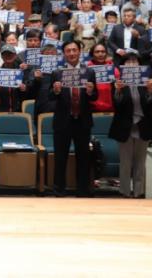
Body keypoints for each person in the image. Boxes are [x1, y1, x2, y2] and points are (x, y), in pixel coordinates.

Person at [49, 40, 98, 197]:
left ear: (79, 52)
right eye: (68, 50)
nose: (71, 53)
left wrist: (90, 92)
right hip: (63, 120)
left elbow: (95, 96)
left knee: (83, 157)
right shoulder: (57, 73)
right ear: (64, 54)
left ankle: (82, 190)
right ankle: (59, 190)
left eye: (74, 50)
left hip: (82, 121)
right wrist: (56, 91)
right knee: (60, 157)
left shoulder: (89, 72)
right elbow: (50, 97)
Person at [110, 51, 152, 198]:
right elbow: (117, 106)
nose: (131, 64)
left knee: (140, 163)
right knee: (125, 163)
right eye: (128, 61)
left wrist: (150, 92)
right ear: (123, 65)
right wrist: (118, 91)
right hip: (124, 126)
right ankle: (124, 192)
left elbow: (151, 105)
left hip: (143, 125)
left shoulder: (147, 81)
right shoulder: (118, 82)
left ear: (139, 65)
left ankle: (139, 193)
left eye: (134, 61)